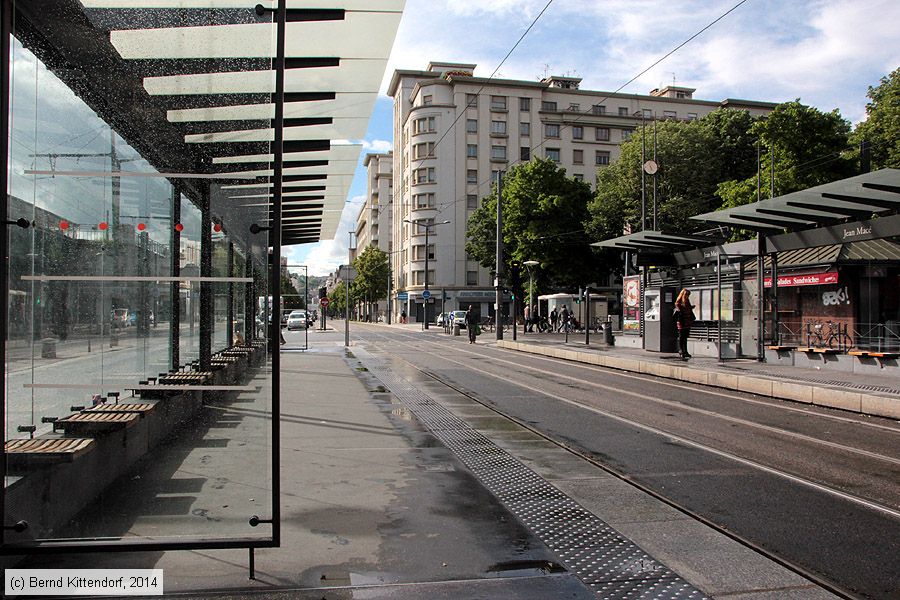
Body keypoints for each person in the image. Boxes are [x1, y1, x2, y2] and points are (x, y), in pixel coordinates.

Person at [674, 288, 695, 359]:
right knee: (681, 336)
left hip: (687, 320)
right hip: (681, 321)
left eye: (688, 295)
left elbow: (687, 309)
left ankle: (685, 351)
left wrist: (691, 307)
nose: (687, 296)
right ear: (683, 294)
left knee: (685, 337)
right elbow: (679, 310)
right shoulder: (679, 302)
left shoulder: (687, 301)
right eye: (686, 295)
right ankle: (681, 350)